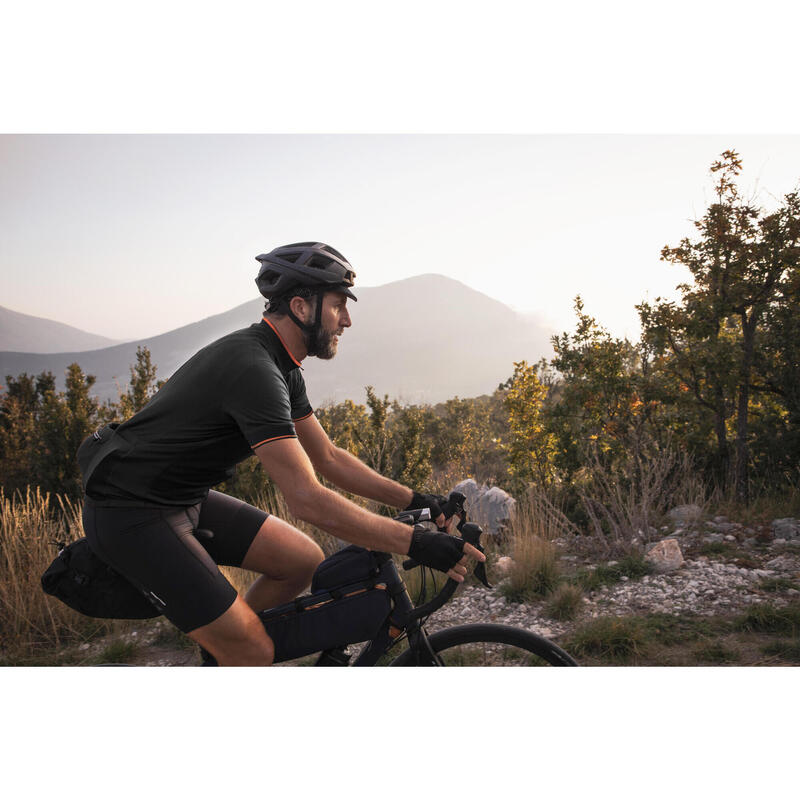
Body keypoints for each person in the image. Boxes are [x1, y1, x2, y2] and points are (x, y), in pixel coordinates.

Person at [78, 242, 484, 666]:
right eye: (338, 306)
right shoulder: (254, 369)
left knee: (300, 560)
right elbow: (305, 498)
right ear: (300, 307)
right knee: (254, 649)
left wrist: (416, 501)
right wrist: (414, 542)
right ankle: (238, 651)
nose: (346, 320)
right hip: (131, 514)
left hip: (181, 497)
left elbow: (327, 456)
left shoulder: (281, 364)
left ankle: (225, 653)